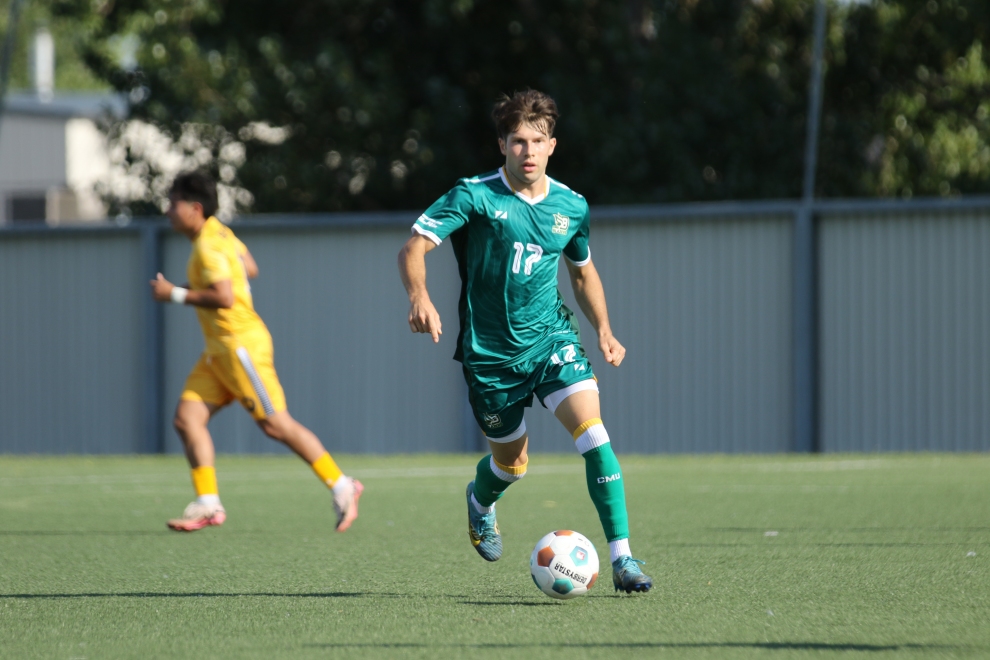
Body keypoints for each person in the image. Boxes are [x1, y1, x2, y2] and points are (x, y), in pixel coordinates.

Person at [397, 90, 651, 593]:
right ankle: (480, 501)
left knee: (595, 437)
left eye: (537, 141)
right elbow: (414, 246)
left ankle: (623, 560)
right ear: (502, 145)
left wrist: (603, 328)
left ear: (552, 145)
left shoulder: (571, 205)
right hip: (490, 358)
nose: (528, 152)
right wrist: (419, 296)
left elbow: (582, 273)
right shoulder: (474, 195)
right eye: (518, 142)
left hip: (552, 340)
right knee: (511, 465)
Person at [150, 171, 362, 533]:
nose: (168, 211)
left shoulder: (208, 245)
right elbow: (249, 266)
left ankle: (343, 485)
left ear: (195, 208)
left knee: (276, 424)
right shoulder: (220, 233)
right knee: (187, 420)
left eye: (174, 204)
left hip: (240, 347)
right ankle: (208, 504)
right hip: (218, 352)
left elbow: (225, 296)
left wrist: (175, 293)